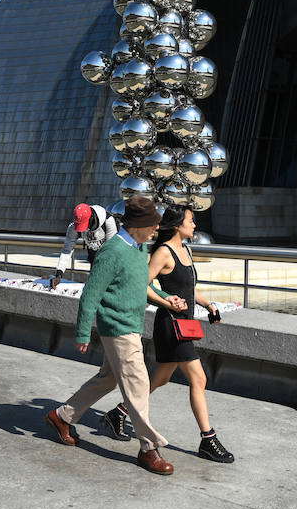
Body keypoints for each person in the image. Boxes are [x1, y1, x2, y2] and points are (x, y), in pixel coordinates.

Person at [45, 196, 181, 475]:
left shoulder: (138, 248)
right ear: (138, 226)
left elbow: (140, 285)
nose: (156, 230)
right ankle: (148, 448)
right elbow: (90, 295)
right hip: (118, 327)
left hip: (131, 324)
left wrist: (168, 298)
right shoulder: (112, 251)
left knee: (108, 379)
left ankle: (61, 416)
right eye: (153, 224)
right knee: (139, 384)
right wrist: (82, 333)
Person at [103, 206, 234, 463]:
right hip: (170, 326)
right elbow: (142, 284)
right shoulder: (163, 252)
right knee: (199, 379)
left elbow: (187, 289)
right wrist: (166, 302)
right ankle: (208, 439)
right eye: (190, 220)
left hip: (184, 323)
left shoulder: (186, 250)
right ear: (177, 226)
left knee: (160, 380)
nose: (194, 224)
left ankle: (118, 413)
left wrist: (208, 305)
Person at [50, 203, 117, 288]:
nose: (83, 229)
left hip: (110, 259)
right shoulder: (74, 227)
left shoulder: (108, 221)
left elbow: (112, 251)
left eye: (84, 225)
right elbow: (67, 250)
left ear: (91, 218)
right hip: (94, 257)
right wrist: (59, 274)